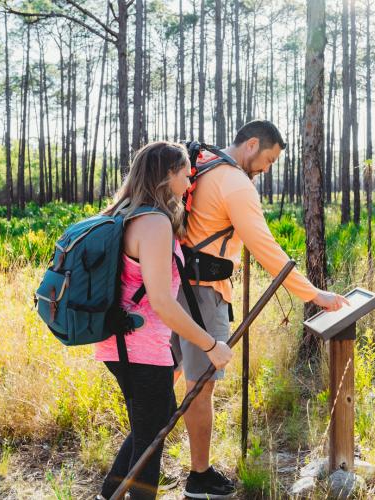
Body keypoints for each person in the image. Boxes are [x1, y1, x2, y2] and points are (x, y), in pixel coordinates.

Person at [171, 120, 348, 499]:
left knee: (165, 378)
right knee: (200, 388)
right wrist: (313, 294)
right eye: (268, 159)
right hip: (203, 294)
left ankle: (142, 455)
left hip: (175, 288)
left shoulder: (202, 165)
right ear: (251, 144)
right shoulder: (235, 181)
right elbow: (267, 249)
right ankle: (199, 477)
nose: (268, 169)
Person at [94, 141, 233, 500]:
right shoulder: (154, 223)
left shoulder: (124, 211)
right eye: (186, 172)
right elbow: (161, 302)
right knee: (151, 441)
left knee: (151, 425)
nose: (190, 182)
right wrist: (210, 345)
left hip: (120, 343)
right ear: (167, 174)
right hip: (140, 348)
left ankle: (108, 494)